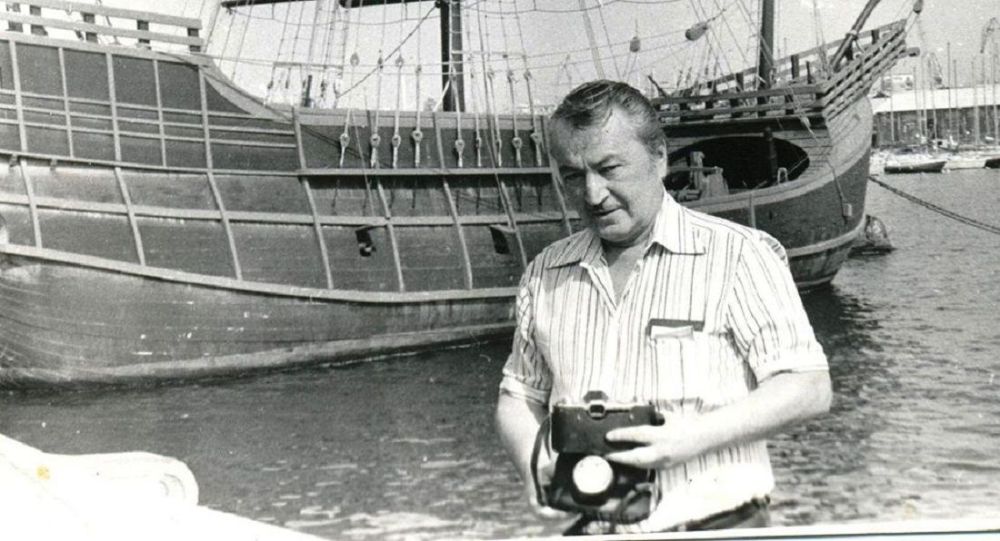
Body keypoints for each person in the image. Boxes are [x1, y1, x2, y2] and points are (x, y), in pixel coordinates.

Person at [495, 80, 832, 535]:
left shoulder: (738, 255)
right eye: (573, 175)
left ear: (659, 158)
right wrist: (534, 466)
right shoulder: (545, 273)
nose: (593, 193)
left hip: (715, 527)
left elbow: (808, 386)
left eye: (609, 168)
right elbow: (519, 396)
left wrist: (692, 438)